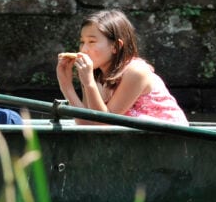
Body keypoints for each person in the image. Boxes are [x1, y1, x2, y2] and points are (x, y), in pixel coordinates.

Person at [56, 9, 188, 125]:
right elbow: (87, 122)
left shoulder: (136, 71)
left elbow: (104, 124)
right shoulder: (95, 74)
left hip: (171, 140)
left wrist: (89, 83)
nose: (83, 49)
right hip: (134, 142)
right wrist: (66, 86)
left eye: (92, 41)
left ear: (116, 47)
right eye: (82, 42)